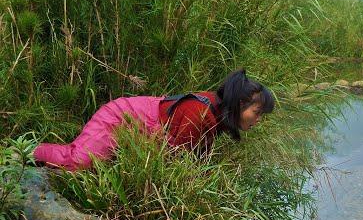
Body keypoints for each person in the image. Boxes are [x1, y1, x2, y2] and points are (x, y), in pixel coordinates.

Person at [33, 69, 274, 171]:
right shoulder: (200, 112)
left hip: (134, 125)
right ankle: (26, 154)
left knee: (93, 169)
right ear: (239, 104)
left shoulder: (214, 115)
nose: (258, 120)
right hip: (120, 118)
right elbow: (175, 163)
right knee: (79, 163)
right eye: (257, 112)